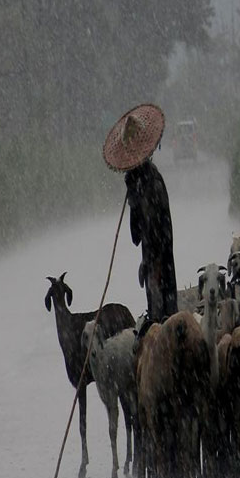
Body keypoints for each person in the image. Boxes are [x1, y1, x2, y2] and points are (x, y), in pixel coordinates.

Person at [103, 104, 177, 335]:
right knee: (166, 306)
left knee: (159, 314)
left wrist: (150, 264)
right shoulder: (148, 179)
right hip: (160, 256)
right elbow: (141, 234)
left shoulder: (147, 185)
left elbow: (142, 233)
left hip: (157, 259)